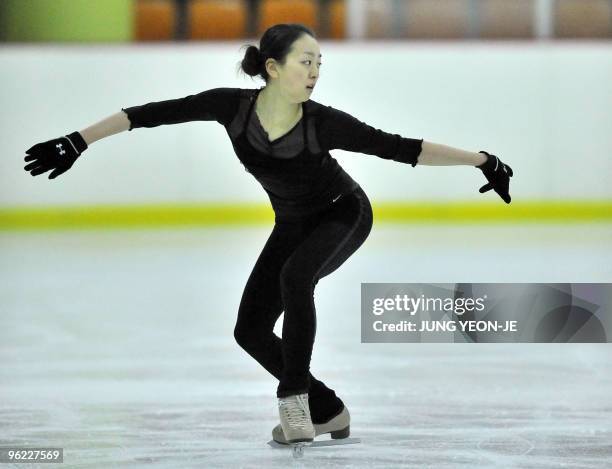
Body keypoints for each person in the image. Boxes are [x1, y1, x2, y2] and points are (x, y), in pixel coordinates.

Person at [23, 23, 513, 445]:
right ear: (273, 68)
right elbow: (146, 114)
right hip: (292, 223)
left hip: (344, 214)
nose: (316, 72)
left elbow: (402, 148)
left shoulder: (324, 123)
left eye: (320, 62)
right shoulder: (230, 108)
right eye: (305, 61)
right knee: (249, 330)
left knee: (297, 279)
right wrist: (77, 140)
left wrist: (484, 159)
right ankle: (328, 409)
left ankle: (295, 405)